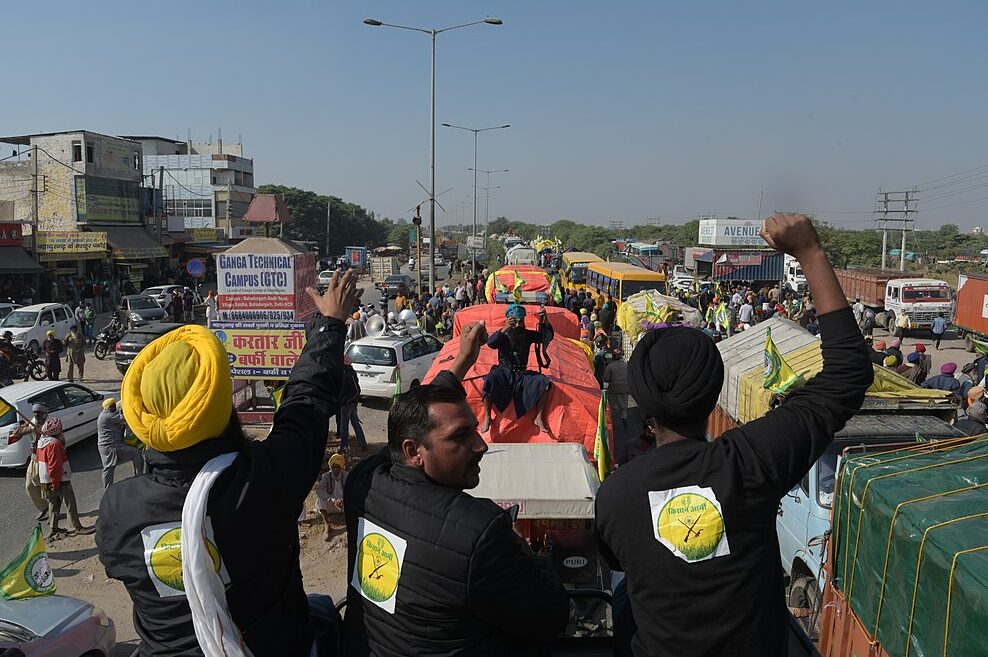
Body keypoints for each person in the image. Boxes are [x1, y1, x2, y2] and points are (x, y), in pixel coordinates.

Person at [594, 213, 873, 657]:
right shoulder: (751, 462)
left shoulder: (615, 496)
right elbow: (849, 374)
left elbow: (623, 561)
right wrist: (809, 252)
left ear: (644, 407)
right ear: (712, 394)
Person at [97, 269, 360, 656]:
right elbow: (304, 404)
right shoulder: (265, 480)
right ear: (221, 405)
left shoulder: (116, 510)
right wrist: (329, 326)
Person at [342, 321, 569, 657]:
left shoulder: (362, 482)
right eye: (460, 437)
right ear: (412, 452)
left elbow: (414, 417)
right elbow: (551, 615)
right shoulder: (480, 531)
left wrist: (462, 361)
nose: (481, 446)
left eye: (475, 431)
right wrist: (527, 552)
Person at [481, 304, 554, 434]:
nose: (519, 325)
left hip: (522, 373)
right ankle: (487, 416)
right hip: (504, 371)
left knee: (543, 382)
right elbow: (491, 343)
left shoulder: (527, 334)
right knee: (490, 380)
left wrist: (545, 319)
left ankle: (539, 417)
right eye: (516, 322)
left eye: (521, 321)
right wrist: (504, 329)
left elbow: (545, 337)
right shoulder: (502, 334)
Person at [37, 417, 94, 540]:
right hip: (58, 479)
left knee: (53, 504)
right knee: (70, 503)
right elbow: (55, 466)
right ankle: (77, 527)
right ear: (57, 431)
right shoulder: (54, 444)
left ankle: (54, 528)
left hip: (44, 479)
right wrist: (56, 483)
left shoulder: (41, 441)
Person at [11, 403, 52, 521]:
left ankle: (54, 512)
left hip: (46, 460)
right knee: (30, 487)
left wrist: (44, 434)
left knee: (47, 489)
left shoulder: (50, 424)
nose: (37, 415)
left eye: (40, 413)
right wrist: (30, 429)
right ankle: (44, 507)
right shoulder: (31, 422)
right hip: (34, 459)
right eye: (35, 413)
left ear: (45, 413)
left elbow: (60, 440)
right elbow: (16, 432)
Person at [97, 397, 143, 490]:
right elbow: (126, 417)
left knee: (108, 468)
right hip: (110, 447)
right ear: (106, 408)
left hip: (109, 446)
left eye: (114, 405)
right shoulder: (108, 416)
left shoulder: (106, 414)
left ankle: (108, 489)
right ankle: (140, 476)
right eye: (111, 406)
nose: (114, 407)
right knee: (136, 453)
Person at [337, 356, 368, 452]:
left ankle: (344, 447)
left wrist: (348, 400)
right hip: (350, 403)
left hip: (348, 404)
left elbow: (356, 391)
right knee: (355, 424)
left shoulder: (350, 374)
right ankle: (362, 444)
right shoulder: (347, 373)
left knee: (344, 427)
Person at [315, 453, 347, 541]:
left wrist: (342, 499)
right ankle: (327, 526)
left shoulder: (347, 475)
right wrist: (331, 499)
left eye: (338, 467)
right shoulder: (326, 476)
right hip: (331, 504)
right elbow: (319, 490)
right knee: (320, 499)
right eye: (333, 467)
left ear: (341, 467)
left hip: (343, 505)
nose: (335, 469)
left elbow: (352, 491)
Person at [603, 347, 629, 428]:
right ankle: (624, 417)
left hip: (613, 388)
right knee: (624, 404)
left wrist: (605, 389)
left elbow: (606, 379)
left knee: (613, 406)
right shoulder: (626, 365)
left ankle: (612, 421)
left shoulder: (610, 367)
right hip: (625, 387)